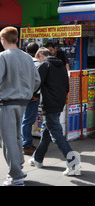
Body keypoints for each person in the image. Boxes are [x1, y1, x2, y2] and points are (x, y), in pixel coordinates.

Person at [29, 47, 81, 176]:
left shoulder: (44, 66)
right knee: (46, 132)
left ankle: (73, 163)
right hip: (59, 102)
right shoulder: (62, 66)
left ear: (41, 55)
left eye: (37, 59)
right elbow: (67, 86)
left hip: (49, 103)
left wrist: (33, 95)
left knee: (56, 135)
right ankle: (37, 159)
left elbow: (37, 84)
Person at [0, 27, 41, 186]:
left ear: (3, 40)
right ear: (16, 39)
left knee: (8, 139)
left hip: (6, 102)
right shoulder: (27, 58)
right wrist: (27, 91)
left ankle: (16, 175)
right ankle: (18, 166)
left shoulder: (3, 57)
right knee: (16, 137)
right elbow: (37, 80)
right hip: (23, 101)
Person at [22, 42, 41, 155]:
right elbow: (38, 80)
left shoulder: (20, 61)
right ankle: (27, 145)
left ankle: (21, 142)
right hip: (31, 95)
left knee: (20, 119)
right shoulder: (36, 63)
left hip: (18, 94)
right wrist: (36, 94)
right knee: (28, 120)